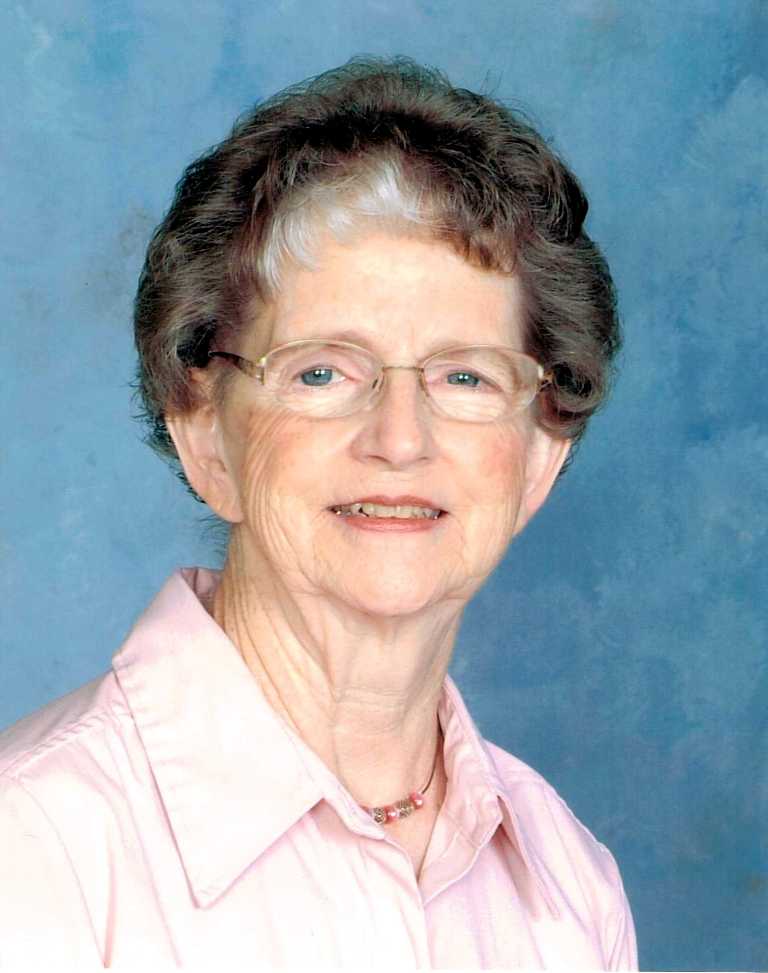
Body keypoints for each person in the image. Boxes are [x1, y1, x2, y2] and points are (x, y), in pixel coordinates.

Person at [0, 57, 637, 968]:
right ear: (205, 435)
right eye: (323, 371)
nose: (400, 438)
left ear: (540, 455)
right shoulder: (33, 848)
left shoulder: (572, 887)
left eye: (465, 376)